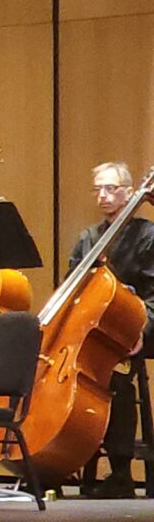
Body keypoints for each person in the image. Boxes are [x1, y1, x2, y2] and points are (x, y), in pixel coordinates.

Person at [67, 161, 154, 498]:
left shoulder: (148, 237)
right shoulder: (88, 238)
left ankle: (120, 472)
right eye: (98, 188)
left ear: (130, 192)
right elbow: (71, 290)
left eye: (111, 188)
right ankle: (64, 454)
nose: (103, 195)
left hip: (137, 331)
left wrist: (140, 331)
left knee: (114, 379)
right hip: (93, 331)